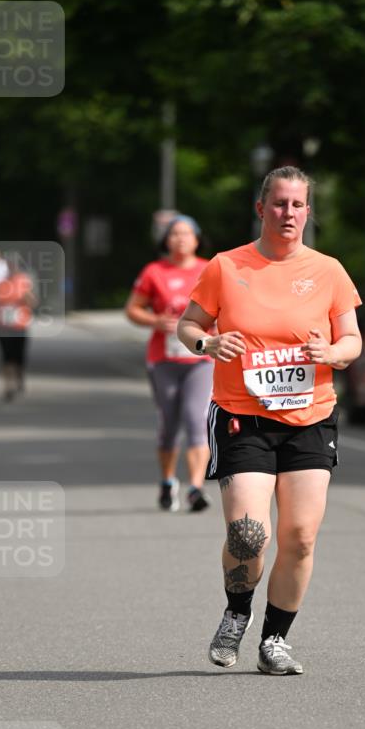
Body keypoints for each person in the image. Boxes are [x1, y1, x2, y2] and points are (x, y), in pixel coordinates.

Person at [177, 166, 362, 675]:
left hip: (310, 418)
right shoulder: (225, 266)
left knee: (300, 536)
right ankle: (237, 612)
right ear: (261, 209)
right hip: (242, 417)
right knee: (248, 534)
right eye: (279, 204)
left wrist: (334, 351)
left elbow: (352, 340)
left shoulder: (328, 270)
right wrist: (208, 343)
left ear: (308, 211)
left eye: (298, 204)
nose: (288, 213)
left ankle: (274, 640)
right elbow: (188, 324)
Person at [125, 215, 214, 512]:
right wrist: (156, 320)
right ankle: (167, 481)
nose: (180, 239)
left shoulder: (209, 270)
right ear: (166, 240)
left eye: (187, 233)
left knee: (196, 418)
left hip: (200, 359)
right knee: (169, 424)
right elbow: (133, 309)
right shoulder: (155, 272)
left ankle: (196, 488)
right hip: (164, 359)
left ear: (197, 239)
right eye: (175, 233)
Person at [0, 254, 37, 401]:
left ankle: (19, 378)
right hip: (4, 326)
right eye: (9, 264)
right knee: (6, 357)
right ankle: (8, 386)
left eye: (14, 264)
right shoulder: (0, 283)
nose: (11, 267)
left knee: (19, 357)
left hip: (20, 325)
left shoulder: (24, 281)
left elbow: (33, 302)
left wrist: (27, 297)